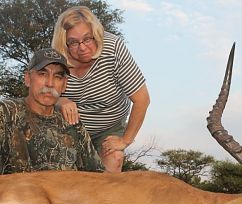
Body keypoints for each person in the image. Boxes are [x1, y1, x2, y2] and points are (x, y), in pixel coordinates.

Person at [51, 6, 150, 173]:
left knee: (114, 159)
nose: (82, 48)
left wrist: (125, 140)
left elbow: (142, 99)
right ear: (64, 43)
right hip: (70, 128)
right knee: (62, 175)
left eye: (87, 39)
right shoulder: (56, 57)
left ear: (96, 33)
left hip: (109, 126)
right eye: (73, 42)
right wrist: (61, 101)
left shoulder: (113, 48)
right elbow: (44, 96)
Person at [0, 47, 102, 174]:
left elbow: (96, 175)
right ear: (27, 78)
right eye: (42, 74)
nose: (50, 83)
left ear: (64, 84)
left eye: (57, 77)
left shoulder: (72, 122)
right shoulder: (6, 113)